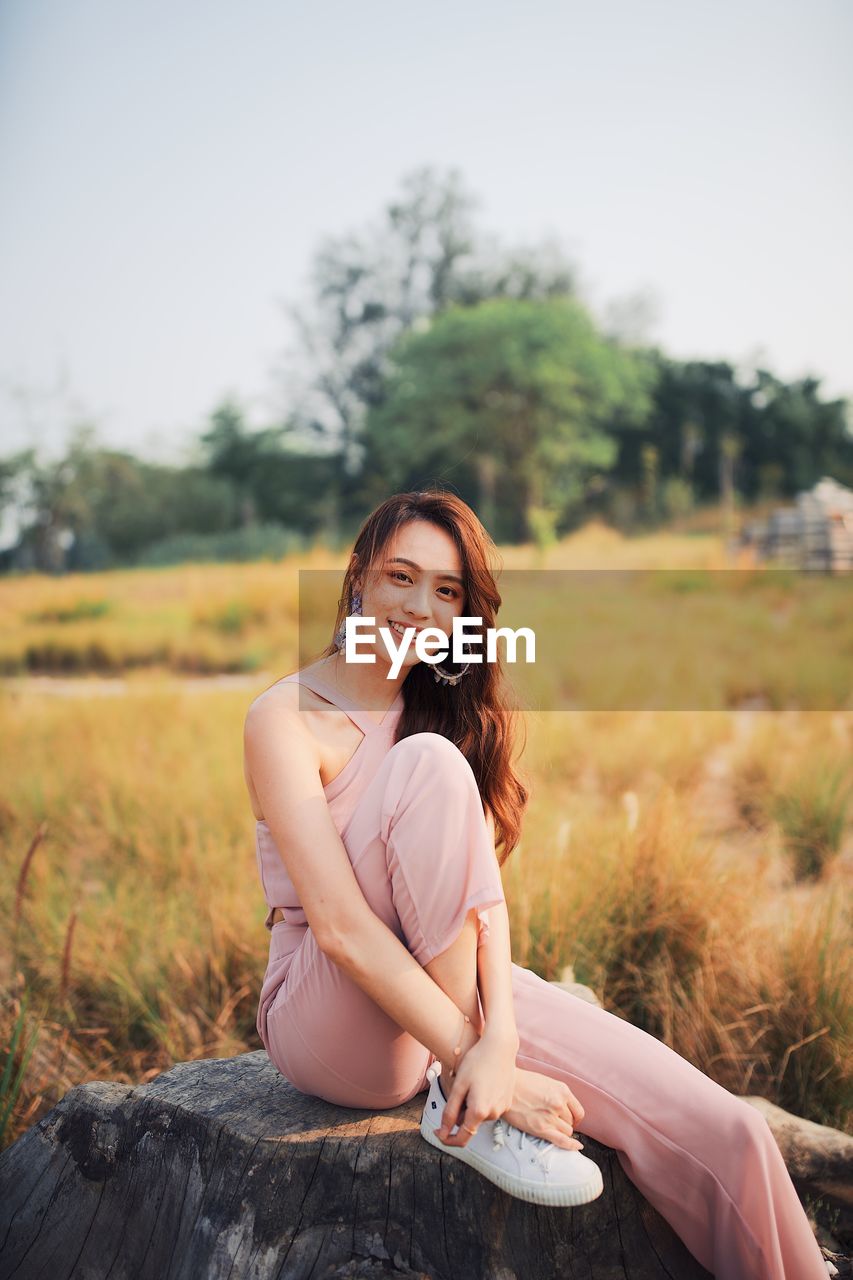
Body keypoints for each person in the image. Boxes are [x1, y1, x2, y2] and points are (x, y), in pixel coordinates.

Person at [244, 489, 831, 1279]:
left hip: (444, 994)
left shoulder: (440, 710)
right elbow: (342, 929)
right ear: (357, 580)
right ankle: (468, 1100)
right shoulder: (285, 716)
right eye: (400, 578)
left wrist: (505, 1037)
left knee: (726, 1132)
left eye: (447, 592)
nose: (420, 607)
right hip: (329, 1015)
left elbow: (479, 906)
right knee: (428, 765)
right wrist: (478, 1060)